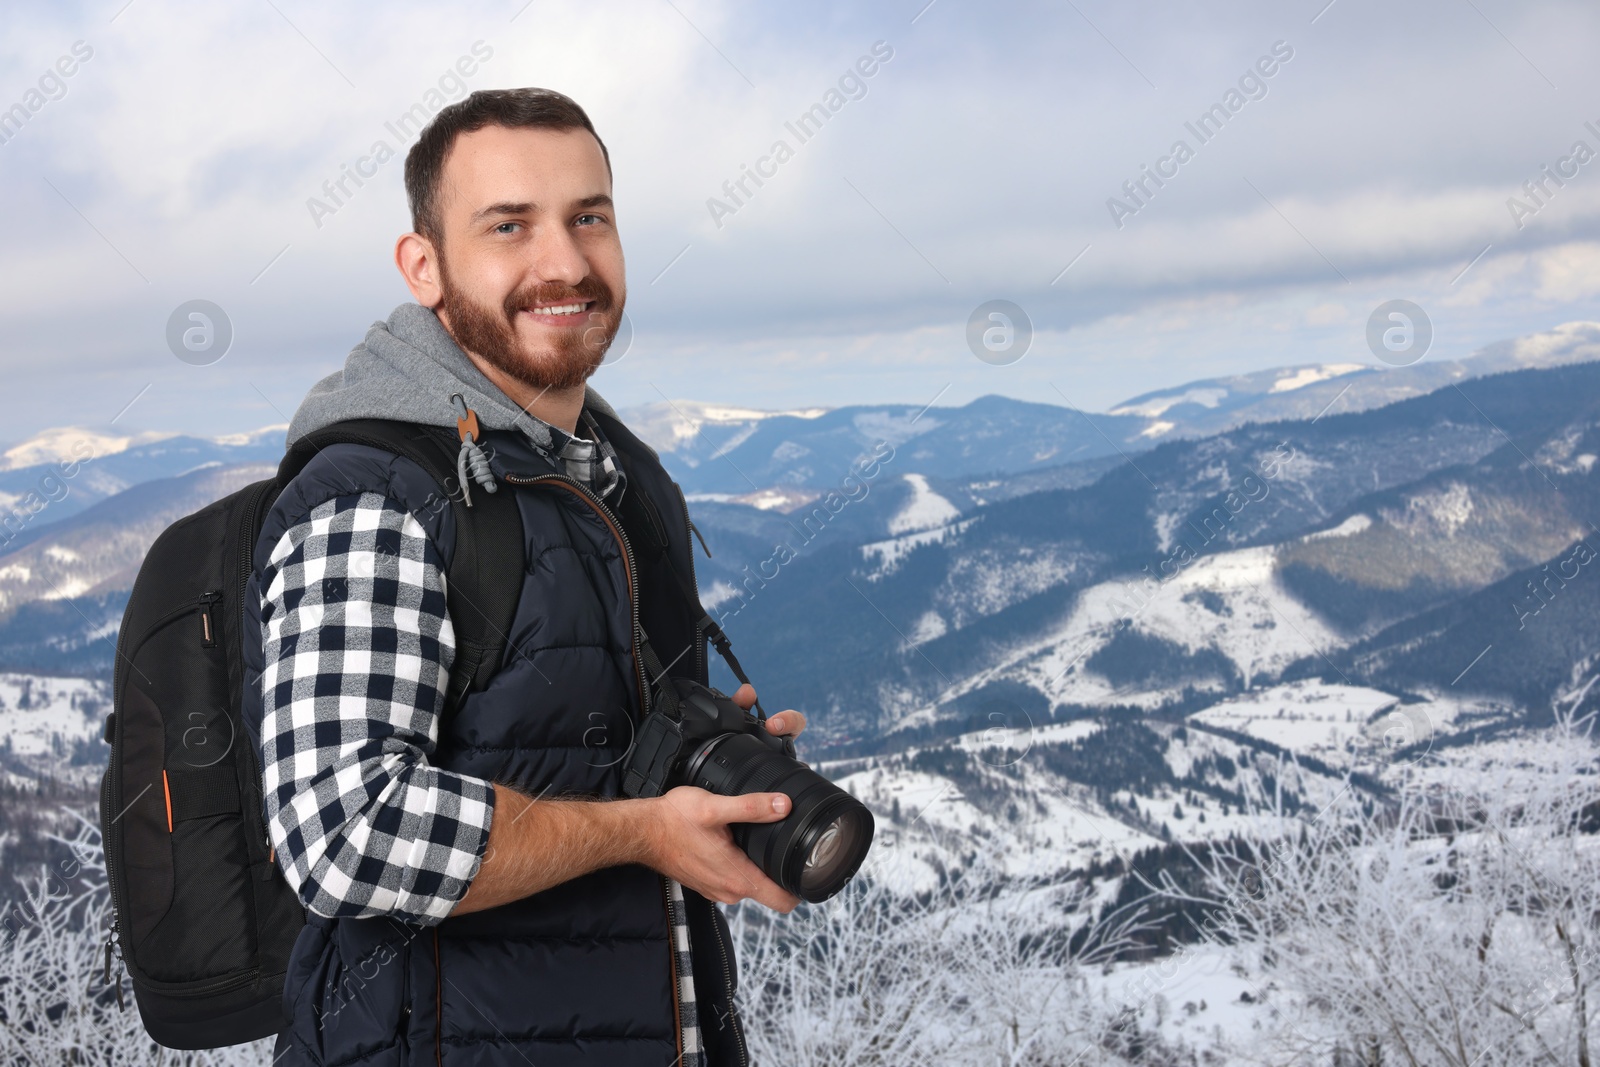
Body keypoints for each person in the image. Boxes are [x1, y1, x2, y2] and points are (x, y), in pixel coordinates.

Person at [246, 86, 806, 1067]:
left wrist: (695, 760)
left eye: (589, 217)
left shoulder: (603, 476)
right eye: (509, 226)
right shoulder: (377, 497)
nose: (566, 261)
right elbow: (343, 829)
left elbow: (555, 748)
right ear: (423, 266)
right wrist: (639, 829)